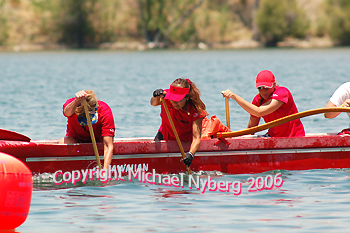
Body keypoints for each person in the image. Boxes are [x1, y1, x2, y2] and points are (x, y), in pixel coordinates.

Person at [222, 70, 305, 137]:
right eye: (260, 88)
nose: (263, 91)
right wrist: (235, 140)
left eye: (266, 88)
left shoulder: (282, 92)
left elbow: (259, 112)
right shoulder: (257, 100)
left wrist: (235, 97)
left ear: (274, 84)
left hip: (294, 138)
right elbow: (251, 129)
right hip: (273, 137)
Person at [150, 78, 208, 167]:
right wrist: (155, 96)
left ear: (187, 97)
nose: (174, 102)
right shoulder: (164, 95)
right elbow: (153, 103)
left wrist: (191, 154)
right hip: (164, 135)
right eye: (172, 99)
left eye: (178, 100)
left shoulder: (196, 110)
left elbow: (196, 138)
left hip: (184, 143)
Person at [59, 90, 115, 169]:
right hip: (76, 139)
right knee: (63, 142)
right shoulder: (72, 104)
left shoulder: (104, 110)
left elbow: (108, 145)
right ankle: (68, 169)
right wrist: (77, 100)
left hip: (98, 143)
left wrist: (105, 171)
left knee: (107, 145)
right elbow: (66, 113)